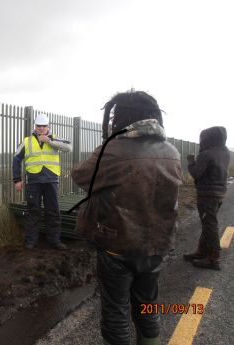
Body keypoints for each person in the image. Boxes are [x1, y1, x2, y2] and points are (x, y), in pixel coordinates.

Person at [71, 90, 183, 345]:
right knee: (147, 306)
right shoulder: (172, 152)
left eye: (114, 118)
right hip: (156, 245)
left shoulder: (114, 149)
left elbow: (80, 176)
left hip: (117, 247)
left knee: (116, 311)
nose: (111, 123)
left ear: (122, 117)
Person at [12, 113, 72, 250]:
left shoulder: (54, 138)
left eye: (44, 126)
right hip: (33, 181)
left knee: (53, 211)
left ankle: (54, 241)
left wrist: (49, 141)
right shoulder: (26, 141)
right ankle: (31, 241)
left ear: (48, 127)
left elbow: (69, 148)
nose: (41, 129)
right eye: (39, 126)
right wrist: (17, 180)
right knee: (33, 211)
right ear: (35, 126)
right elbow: (16, 159)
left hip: (51, 181)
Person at [184, 126, 230, 270]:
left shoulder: (206, 154)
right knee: (208, 223)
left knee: (210, 225)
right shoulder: (224, 152)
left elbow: (196, 174)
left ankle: (213, 259)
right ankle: (202, 252)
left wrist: (191, 161)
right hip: (220, 193)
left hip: (207, 195)